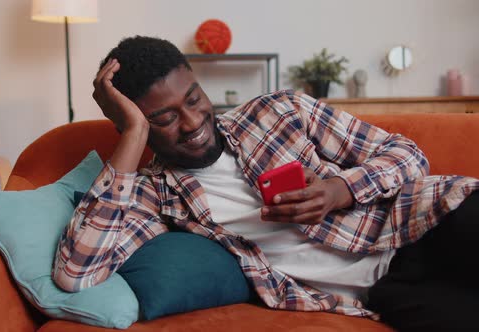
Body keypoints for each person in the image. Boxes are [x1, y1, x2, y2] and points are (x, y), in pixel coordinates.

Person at [52, 35, 479, 331]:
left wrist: (340, 190)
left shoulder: (281, 111)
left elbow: (408, 156)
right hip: (383, 290)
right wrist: (131, 137)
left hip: (431, 221)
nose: (193, 123)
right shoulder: (154, 196)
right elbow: (76, 274)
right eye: (163, 119)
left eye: (195, 99)